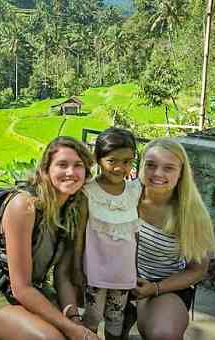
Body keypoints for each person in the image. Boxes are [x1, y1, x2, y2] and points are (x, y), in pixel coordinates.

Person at [0, 136, 100, 340]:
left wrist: (74, 320)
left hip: (33, 289)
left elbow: (62, 276)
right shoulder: (25, 206)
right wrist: (73, 330)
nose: (71, 173)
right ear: (45, 171)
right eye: (62, 165)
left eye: (78, 166)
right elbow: (21, 288)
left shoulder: (75, 208)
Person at [123, 138, 215, 340]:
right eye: (151, 165)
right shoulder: (122, 197)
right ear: (140, 166)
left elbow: (197, 269)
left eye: (168, 168)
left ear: (181, 173)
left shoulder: (192, 213)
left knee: (163, 334)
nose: (158, 173)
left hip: (164, 286)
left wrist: (155, 288)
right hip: (116, 281)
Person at [73, 127, 141, 340]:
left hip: (123, 271)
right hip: (95, 271)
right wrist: (76, 268)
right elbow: (79, 234)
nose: (120, 167)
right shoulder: (88, 192)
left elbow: (135, 235)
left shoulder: (134, 191)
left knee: (116, 316)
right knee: (92, 316)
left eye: (127, 161)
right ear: (98, 159)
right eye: (112, 161)